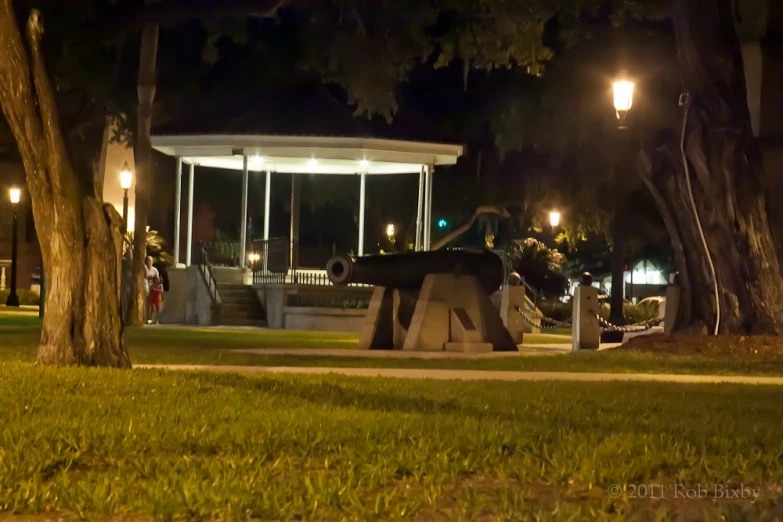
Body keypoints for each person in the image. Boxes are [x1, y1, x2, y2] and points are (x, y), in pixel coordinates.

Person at [144, 256, 159, 323]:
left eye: (150, 260)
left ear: (152, 262)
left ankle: (155, 319)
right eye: (147, 260)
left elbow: (157, 280)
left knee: (153, 305)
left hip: (153, 290)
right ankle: (146, 319)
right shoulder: (143, 269)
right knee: (147, 304)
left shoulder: (155, 270)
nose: (148, 262)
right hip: (146, 288)